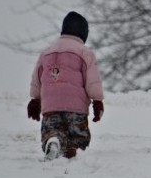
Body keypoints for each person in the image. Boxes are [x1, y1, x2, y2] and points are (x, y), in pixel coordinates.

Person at [27, 11, 105, 160]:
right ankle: (70, 149)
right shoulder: (84, 52)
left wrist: (35, 100)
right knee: (78, 137)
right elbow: (92, 81)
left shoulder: (46, 52)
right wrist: (97, 101)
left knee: (51, 130)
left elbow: (37, 78)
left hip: (50, 107)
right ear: (84, 33)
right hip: (76, 109)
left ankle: (54, 141)